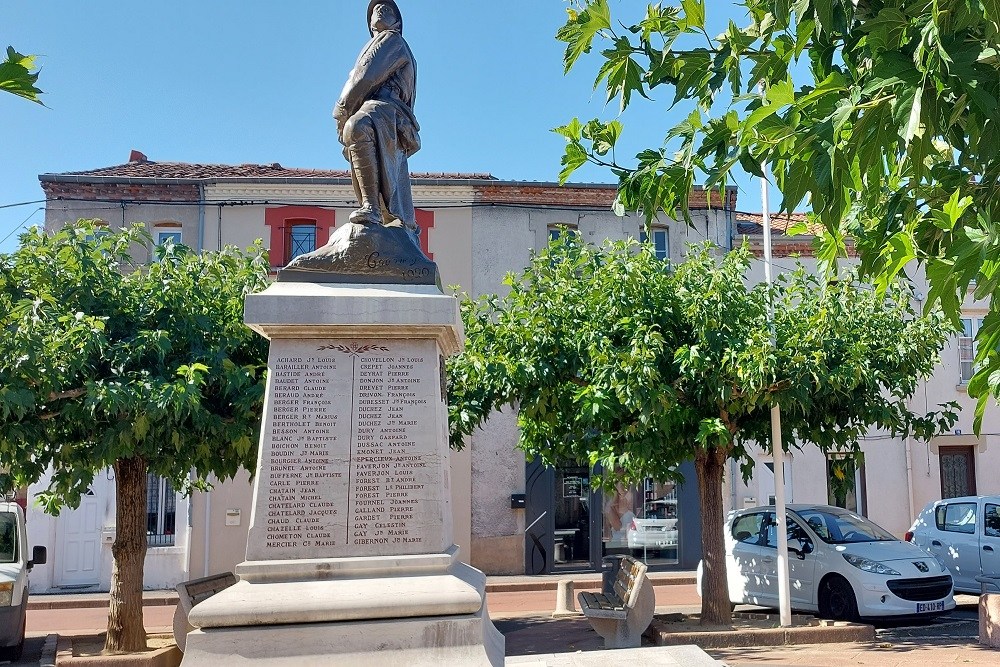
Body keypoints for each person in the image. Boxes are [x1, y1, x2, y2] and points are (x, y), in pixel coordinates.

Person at [334, 0, 420, 239]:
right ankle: (374, 208)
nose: (380, 10)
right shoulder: (377, 43)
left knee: (356, 127)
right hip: (380, 109)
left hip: (388, 108)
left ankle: (371, 207)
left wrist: (342, 110)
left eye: (387, 8)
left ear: (397, 22)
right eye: (375, 9)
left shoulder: (392, 40)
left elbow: (366, 77)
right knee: (357, 128)